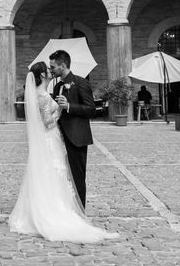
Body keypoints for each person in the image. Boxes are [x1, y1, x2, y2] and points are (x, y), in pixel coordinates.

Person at [9, 61, 118, 243]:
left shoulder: (47, 91)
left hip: (52, 139)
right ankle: (54, 210)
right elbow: (47, 122)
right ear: (43, 75)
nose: (51, 71)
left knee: (52, 173)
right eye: (48, 69)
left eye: (53, 67)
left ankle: (54, 206)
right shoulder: (42, 95)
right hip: (50, 138)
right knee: (54, 173)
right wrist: (60, 108)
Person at [49, 50, 95, 208]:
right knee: (64, 178)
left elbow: (91, 109)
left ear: (63, 65)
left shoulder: (81, 82)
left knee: (78, 178)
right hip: (60, 138)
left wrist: (69, 106)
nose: (51, 70)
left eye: (53, 67)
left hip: (77, 138)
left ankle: (81, 212)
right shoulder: (57, 87)